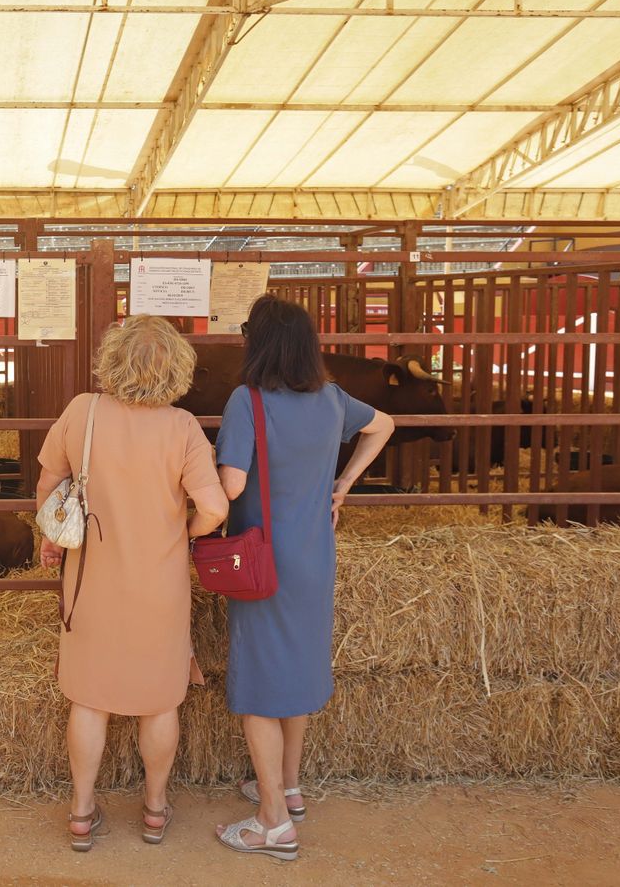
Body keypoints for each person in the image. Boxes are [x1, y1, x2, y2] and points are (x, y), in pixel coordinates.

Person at [211, 296, 395, 860]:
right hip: (315, 555)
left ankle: (272, 823)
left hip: (264, 559)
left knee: (261, 688)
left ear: (259, 341)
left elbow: (233, 486)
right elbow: (384, 424)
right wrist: (344, 484)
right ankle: (288, 789)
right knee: (295, 670)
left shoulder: (248, 401)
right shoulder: (333, 399)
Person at [37, 315, 230, 852]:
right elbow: (215, 507)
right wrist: (184, 533)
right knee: (160, 702)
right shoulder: (183, 427)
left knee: (89, 700)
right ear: (177, 368)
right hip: (160, 585)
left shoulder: (82, 412)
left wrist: (52, 532)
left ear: (112, 359)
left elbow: (49, 481)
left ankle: (80, 814)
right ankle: (153, 810)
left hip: (90, 579)